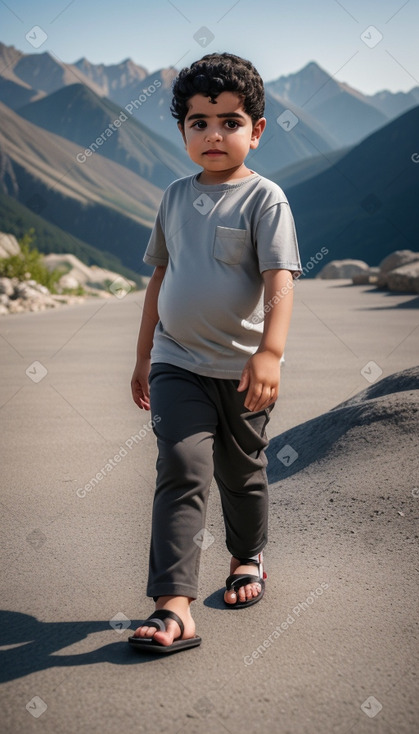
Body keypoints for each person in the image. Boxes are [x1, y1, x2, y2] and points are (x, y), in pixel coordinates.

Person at [128, 52, 301, 653]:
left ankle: (247, 555)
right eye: (198, 122)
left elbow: (281, 277)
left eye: (229, 121)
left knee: (242, 474)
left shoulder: (266, 199)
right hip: (177, 363)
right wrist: (145, 355)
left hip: (242, 370)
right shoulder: (174, 198)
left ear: (255, 131)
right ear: (182, 132)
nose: (213, 134)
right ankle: (174, 604)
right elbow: (159, 279)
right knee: (180, 467)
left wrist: (270, 353)